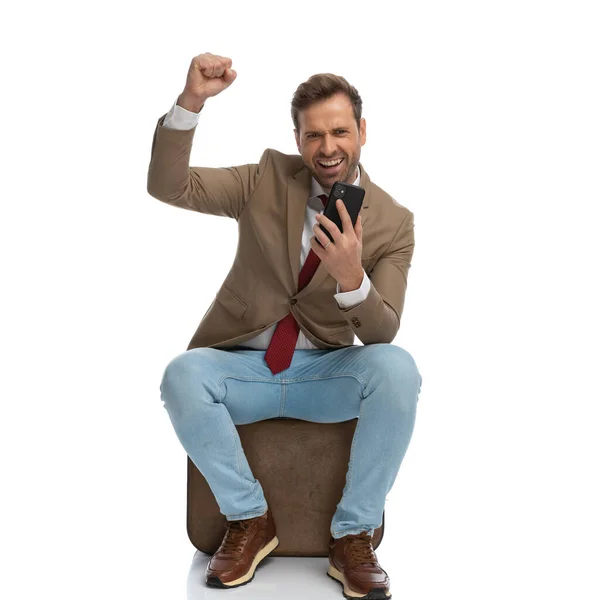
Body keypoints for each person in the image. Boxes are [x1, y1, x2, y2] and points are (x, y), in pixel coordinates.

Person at [147, 52, 422, 599]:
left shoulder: (393, 223)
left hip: (325, 373)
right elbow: (168, 186)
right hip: (244, 369)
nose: (328, 148)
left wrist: (351, 279)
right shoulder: (264, 181)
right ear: (297, 138)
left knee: (397, 369)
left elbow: (383, 332)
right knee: (182, 375)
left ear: (362, 132)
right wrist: (192, 102)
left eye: (340, 131)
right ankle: (249, 520)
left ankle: (353, 536)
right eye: (313, 134)